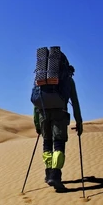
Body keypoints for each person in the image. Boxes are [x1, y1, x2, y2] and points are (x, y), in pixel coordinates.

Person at [32, 56, 83, 190]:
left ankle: (48, 173)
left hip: (43, 115)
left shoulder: (41, 80)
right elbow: (75, 103)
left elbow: (36, 103)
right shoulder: (67, 81)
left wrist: (37, 123)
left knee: (47, 144)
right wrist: (79, 122)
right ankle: (55, 176)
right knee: (58, 144)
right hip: (60, 114)